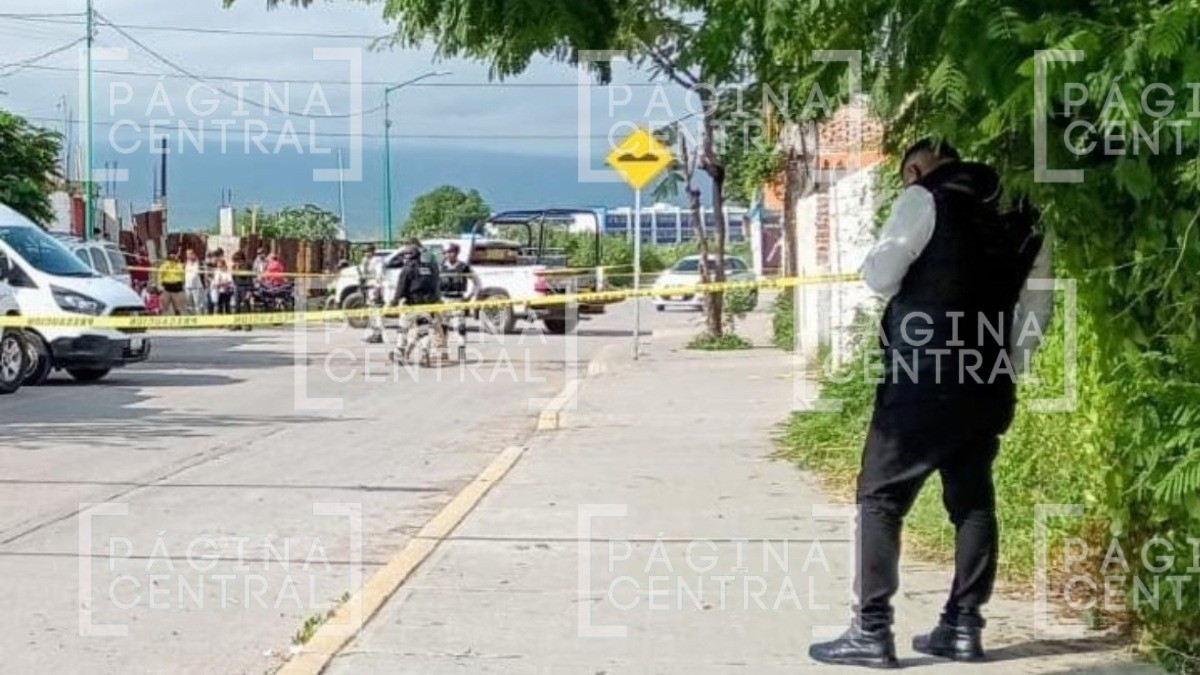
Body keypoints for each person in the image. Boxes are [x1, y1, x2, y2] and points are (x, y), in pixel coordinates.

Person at [809, 139, 1052, 668]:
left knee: (880, 498)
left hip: (921, 381)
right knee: (973, 502)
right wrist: (1004, 368)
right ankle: (963, 628)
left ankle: (871, 631)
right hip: (987, 379)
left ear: (915, 169)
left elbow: (880, 277)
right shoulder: (1026, 213)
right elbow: (1037, 310)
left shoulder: (923, 198)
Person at [389, 244, 443, 363]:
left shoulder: (407, 269)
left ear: (408, 256)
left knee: (403, 328)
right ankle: (424, 352)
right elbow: (436, 285)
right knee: (424, 329)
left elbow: (401, 288)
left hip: (412, 303)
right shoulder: (429, 269)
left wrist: (394, 302)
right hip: (429, 304)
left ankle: (400, 351)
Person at [230, 251, 255, 331]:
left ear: (241, 259)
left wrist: (249, 291)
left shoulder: (247, 266)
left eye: (237, 260)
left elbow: (249, 278)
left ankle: (248, 325)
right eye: (235, 261)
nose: (236, 262)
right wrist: (234, 270)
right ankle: (237, 324)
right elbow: (233, 277)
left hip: (245, 287)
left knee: (246, 306)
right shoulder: (234, 266)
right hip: (237, 287)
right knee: (236, 306)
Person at [184, 249, 206, 315]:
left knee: (198, 303)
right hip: (188, 287)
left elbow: (203, 273)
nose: (189, 255)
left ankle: (200, 317)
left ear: (194, 254)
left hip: (197, 287)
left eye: (190, 253)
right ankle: (191, 317)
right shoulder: (185, 263)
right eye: (187, 254)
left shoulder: (199, 262)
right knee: (189, 304)